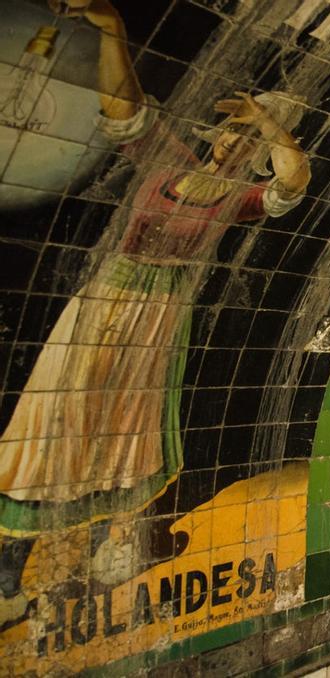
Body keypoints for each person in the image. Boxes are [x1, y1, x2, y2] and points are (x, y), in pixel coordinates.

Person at [0, 0, 311, 625]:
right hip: (108, 304)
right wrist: (111, 27)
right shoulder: (168, 161)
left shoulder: (242, 199)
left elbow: (294, 183)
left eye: (249, 137)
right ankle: (11, 556)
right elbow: (125, 109)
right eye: (234, 129)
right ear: (217, 133)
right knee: (58, 414)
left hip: (160, 318)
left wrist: (274, 127)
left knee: (123, 433)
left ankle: (92, 548)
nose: (235, 141)